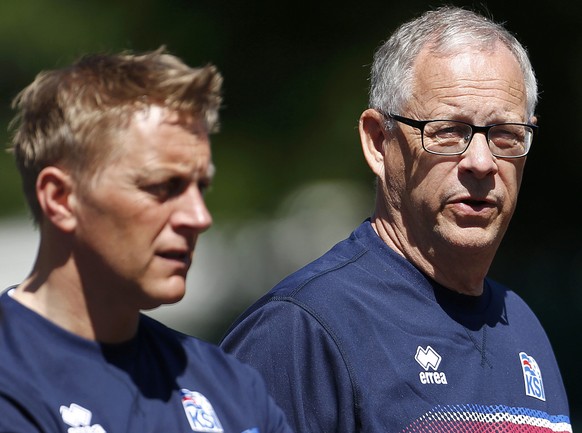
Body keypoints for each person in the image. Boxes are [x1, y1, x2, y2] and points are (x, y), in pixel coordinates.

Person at [220, 6, 572, 433]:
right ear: (378, 143)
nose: (482, 162)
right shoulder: (301, 333)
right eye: (447, 131)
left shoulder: (524, 329)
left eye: (505, 135)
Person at [1, 47, 293, 433]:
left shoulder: (229, 386)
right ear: (60, 198)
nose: (199, 217)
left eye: (199, 186)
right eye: (162, 187)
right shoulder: (12, 381)